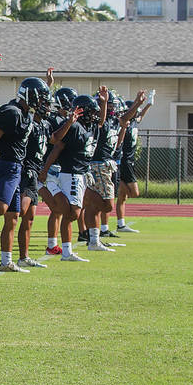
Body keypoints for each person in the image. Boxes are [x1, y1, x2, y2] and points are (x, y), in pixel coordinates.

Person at [0, 78, 48, 272]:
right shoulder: (11, 112)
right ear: (30, 94)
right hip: (8, 165)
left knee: (13, 216)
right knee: (0, 209)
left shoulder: (25, 114)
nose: (41, 102)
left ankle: (6, 262)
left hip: (17, 167)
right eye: (40, 97)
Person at [39, 89, 108, 262]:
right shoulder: (75, 127)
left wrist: (103, 103)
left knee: (68, 213)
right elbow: (56, 146)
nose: (94, 116)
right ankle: (45, 186)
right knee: (72, 214)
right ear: (83, 111)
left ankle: (67, 252)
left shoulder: (89, 127)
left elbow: (101, 122)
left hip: (80, 174)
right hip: (70, 173)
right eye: (91, 112)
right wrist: (45, 170)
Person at [82, 90, 145, 252]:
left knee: (95, 207)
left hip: (107, 165)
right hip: (97, 164)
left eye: (112, 105)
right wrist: (103, 104)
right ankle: (92, 234)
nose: (111, 108)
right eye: (108, 105)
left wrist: (138, 103)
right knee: (107, 205)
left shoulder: (116, 122)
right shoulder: (98, 122)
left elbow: (125, 119)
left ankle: (94, 240)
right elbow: (101, 120)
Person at [40, 87, 77, 255]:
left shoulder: (68, 119)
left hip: (58, 168)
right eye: (70, 101)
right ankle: (51, 245)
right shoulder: (54, 119)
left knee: (57, 210)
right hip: (47, 167)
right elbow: (55, 143)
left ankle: (52, 245)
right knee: (57, 208)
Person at [116, 92, 154, 232]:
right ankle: (117, 180)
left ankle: (121, 224)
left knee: (123, 197)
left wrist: (149, 103)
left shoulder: (133, 122)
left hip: (130, 160)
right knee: (134, 193)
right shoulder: (123, 124)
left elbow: (141, 115)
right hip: (124, 160)